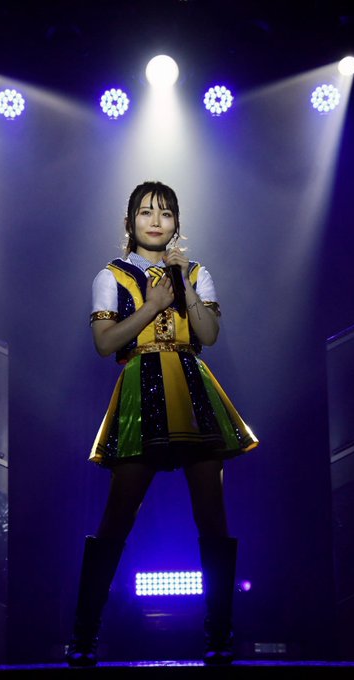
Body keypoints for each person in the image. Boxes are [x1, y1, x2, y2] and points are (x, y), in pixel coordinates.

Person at [65, 180, 259, 667]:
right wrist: (151, 307)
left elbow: (209, 335)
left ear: (177, 224)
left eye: (166, 212)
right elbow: (105, 343)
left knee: (213, 516)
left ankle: (220, 634)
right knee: (118, 517)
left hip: (193, 390)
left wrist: (183, 285)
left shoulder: (197, 272)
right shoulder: (110, 275)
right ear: (129, 222)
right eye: (146, 212)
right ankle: (84, 636)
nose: (156, 220)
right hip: (141, 392)